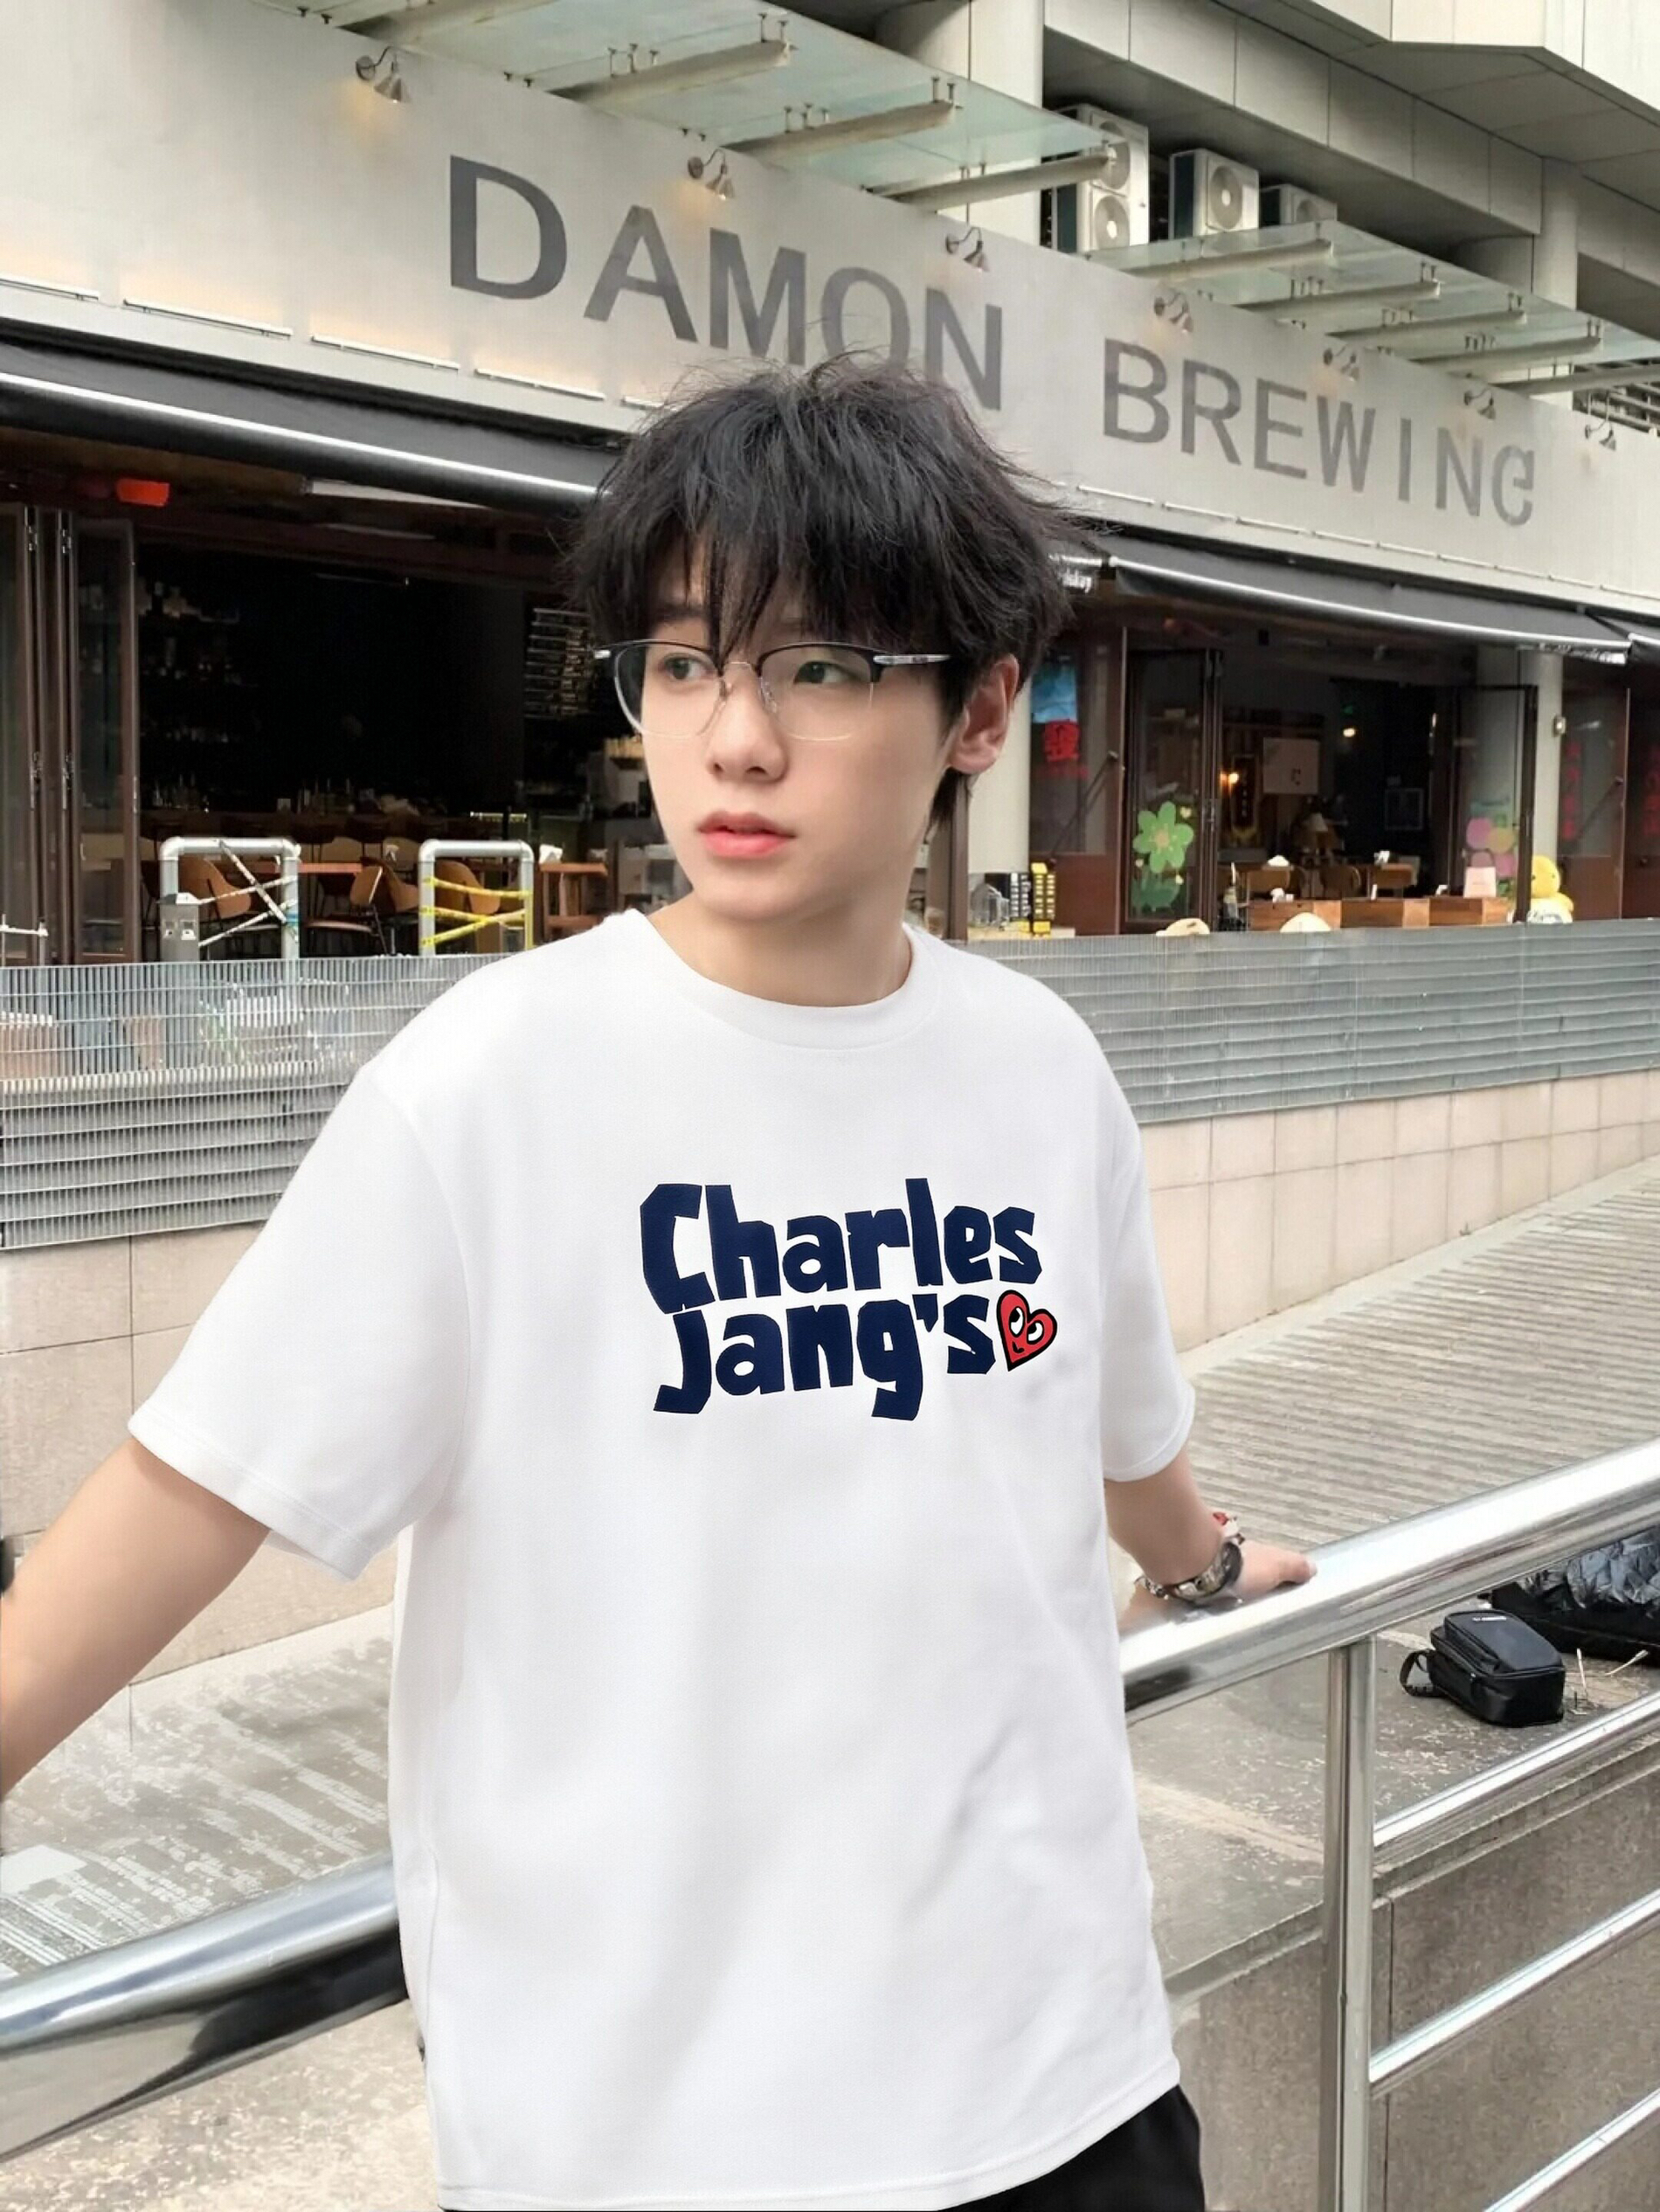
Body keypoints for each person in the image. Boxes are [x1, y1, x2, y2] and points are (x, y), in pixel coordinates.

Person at [0, 357, 1311, 2212]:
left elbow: (1112, 1433)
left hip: (1061, 2082)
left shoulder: (1039, 1069)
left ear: (977, 708)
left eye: (818, 667)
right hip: (647, 2140)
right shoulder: (491, 1084)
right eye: (685, 662)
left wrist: (1198, 1564)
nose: (732, 740)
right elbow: (185, 1499)